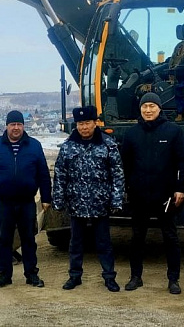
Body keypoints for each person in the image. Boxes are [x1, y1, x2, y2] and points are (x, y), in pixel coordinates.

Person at [120, 92, 184, 294]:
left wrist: (180, 188)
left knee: (170, 236)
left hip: (165, 196)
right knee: (137, 237)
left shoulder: (173, 131)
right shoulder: (131, 134)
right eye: (144, 106)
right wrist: (126, 188)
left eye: (152, 106)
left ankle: (173, 279)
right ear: (140, 109)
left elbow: (183, 162)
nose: (148, 110)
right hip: (139, 195)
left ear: (159, 108)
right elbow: (125, 165)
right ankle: (135, 277)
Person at [52, 106, 125, 292]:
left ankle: (109, 277)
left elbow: (117, 174)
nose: (84, 127)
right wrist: (58, 200)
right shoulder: (68, 146)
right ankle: (74, 276)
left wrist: (116, 200)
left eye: (87, 123)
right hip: (76, 203)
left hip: (100, 203)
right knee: (76, 243)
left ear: (95, 123)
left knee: (104, 244)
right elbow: (60, 175)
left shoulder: (108, 145)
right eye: (80, 124)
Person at [0, 110, 52, 289]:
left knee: (28, 240)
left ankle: (32, 275)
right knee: (5, 240)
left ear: (23, 126)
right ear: (7, 126)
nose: (16, 128)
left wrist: (46, 198)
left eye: (19, 124)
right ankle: (4, 276)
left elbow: (43, 174)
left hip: (27, 202)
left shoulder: (34, 145)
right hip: (4, 202)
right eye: (13, 124)